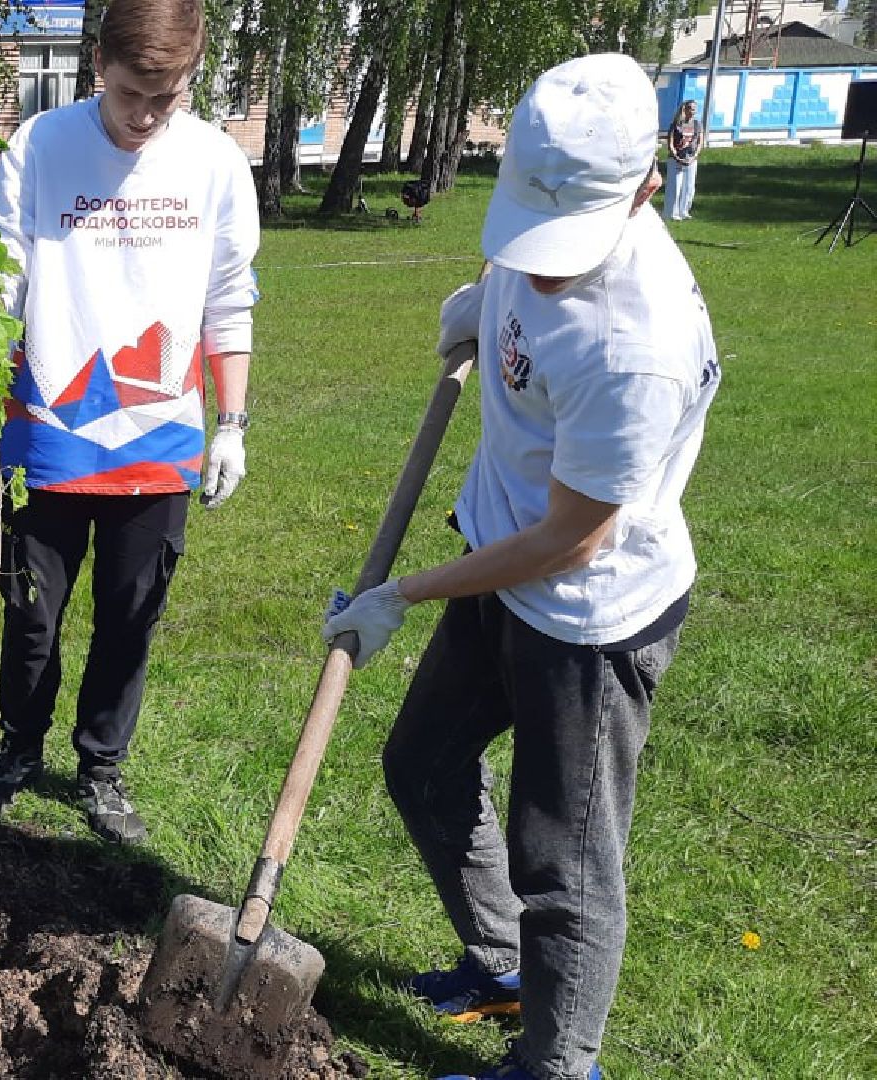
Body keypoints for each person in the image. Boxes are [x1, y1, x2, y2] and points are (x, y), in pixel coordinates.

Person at [322, 54, 720, 1080]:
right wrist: (480, 300)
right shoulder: (542, 200)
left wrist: (398, 594)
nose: (541, 264)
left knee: (568, 865)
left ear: (640, 191)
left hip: (588, 616)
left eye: (563, 248)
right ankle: (501, 963)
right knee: (423, 765)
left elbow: (568, 541)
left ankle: (557, 1067)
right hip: (499, 558)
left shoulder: (637, 346)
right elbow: (516, 271)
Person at [0, 0, 260, 845]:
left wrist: (232, 423)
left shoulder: (214, 163)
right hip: (49, 428)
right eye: (133, 92)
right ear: (97, 61)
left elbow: (229, 300)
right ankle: (18, 747)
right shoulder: (39, 148)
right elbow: (4, 278)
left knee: (130, 614)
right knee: (31, 612)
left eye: (165, 98)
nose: (145, 116)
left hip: (159, 434)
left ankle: (101, 765)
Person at [665, 100, 701, 221]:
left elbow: (700, 141)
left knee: (689, 186)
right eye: (690, 108)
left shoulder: (697, 124)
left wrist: (694, 155)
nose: (692, 111)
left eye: (694, 109)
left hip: (691, 159)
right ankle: (672, 212)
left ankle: (684, 210)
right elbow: (670, 143)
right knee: (675, 187)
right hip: (676, 160)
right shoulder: (676, 125)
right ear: (684, 110)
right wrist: (677, 157)